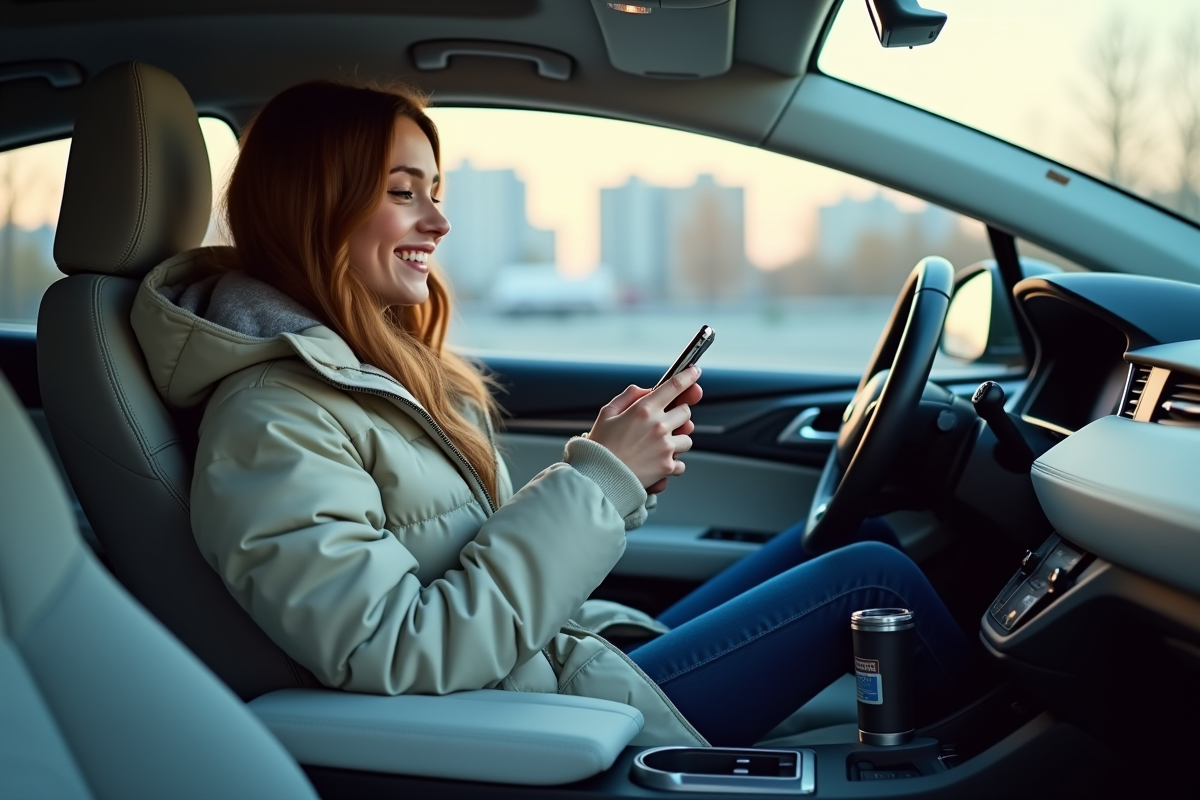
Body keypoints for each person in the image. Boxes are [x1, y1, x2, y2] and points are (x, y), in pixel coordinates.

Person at [131, 80, 971, 747]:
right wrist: (598, 482)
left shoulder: (355, 376)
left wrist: (612, 465)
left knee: (855, 541)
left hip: (555, 659)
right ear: (315, 206)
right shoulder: (272, 416)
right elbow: (387, 649)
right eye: (402, 193)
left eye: (436, 190)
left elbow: (462, 553)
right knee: (872, 582)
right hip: (542, 715)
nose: (439, 219)